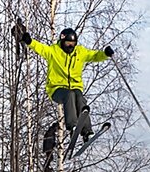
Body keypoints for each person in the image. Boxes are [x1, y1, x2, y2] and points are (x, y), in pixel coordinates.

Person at [15, 23, 113, 157]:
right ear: (62, 42)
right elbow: (41, 48)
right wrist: (29, 42)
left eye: (72, 44)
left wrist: (105, 54)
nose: (70, 47)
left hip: (75, 87)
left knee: (79, 97)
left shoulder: (80, 52)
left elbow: (95, 55)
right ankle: (72, 126)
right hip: (57, 89)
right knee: (69, 95)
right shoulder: (54, 51)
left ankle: (86, 132)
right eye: (67, 43)